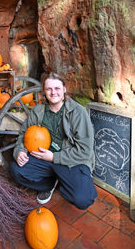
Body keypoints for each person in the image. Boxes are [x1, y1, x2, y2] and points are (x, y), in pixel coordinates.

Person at [10, 71, 97, 209]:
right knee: (16, 170)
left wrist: (54, 157)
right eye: (49, 89)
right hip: (43, 157)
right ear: (44, 91)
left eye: (57, 88)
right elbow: (23, 135)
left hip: (69, 160)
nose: (53, 92)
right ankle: (48, 184)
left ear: (64, 89)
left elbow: (85, 151)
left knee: (83, 199)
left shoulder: (78, 112)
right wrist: (20, 151)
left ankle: (70, 179)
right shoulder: (38, 110)